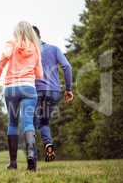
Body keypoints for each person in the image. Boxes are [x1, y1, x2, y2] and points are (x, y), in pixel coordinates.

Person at [0, 21, 43, 171]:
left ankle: (13, 163)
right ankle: (31, 158)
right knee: (28, 122)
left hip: (11, 88)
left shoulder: (12, 42)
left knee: (13, 123)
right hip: (28, 88)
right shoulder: (36, 47)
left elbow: (5, 55)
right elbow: (40, 73)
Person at [32, 26, 73, 162]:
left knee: (31, 123)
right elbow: (67, 67)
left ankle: (32, 155)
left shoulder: (28, 52)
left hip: (36, 91)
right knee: (44, 121)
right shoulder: (54, 49)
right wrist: (68, 89)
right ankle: (48, 145)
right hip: (54, 92)